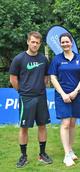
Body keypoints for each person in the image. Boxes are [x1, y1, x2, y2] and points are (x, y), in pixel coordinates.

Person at [9, 31, 53, 168]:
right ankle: (23, 156)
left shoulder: (43, 59)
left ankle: (42, 154)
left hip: (41, 96)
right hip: (26, 98)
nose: (35, 44)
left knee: (42, 125)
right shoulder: (19, 59)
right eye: (32, 42)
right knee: (24, 127)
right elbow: (13, 79)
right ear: (28, 42)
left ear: (40, 44)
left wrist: (39, 87)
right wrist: (22, 91)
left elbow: (46, 77)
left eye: (37, 42)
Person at [48, 32, 80, 166]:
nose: (65, 44)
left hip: (76, 95)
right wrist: (63, 94)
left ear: (71, 43)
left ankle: (70, 149)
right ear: (60, 44)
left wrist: (76, 92)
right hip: (61, 96)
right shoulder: (56, 59)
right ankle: (66, 155)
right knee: (65, 123)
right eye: (62, 42)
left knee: (73, 124)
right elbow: (53, 77)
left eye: (67, 41)